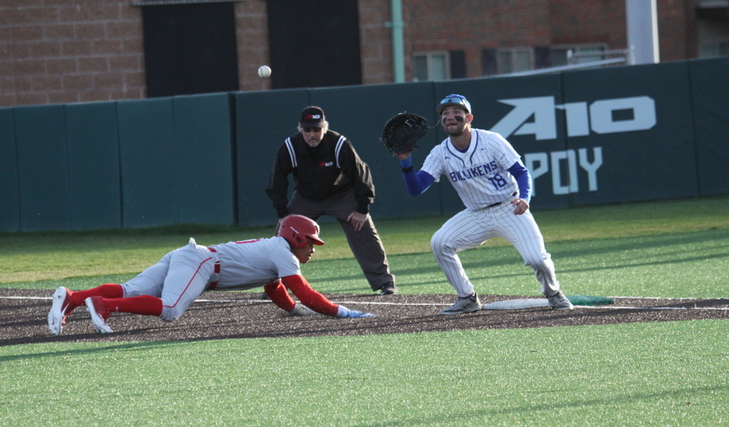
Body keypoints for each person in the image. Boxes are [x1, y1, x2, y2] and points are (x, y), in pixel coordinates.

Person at [47, 215, 375, 335]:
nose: (313, 248)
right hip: (203, 263)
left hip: (192, 256)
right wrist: (341, 312)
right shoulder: (283, 252)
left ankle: (73, 299)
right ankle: (104, 306)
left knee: (131, 289)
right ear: (297, 238)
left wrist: (293, 310)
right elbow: (303, 290)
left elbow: (276, 289)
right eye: (312, 242)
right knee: (170, 308)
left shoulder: (275, 252)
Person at [394, 94, 573, 314]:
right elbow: (416, 188)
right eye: (445, 114)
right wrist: (405, 161)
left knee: (536, 258)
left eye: (456, 113)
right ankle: (467, 297)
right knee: (440, 242)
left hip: (510, 208)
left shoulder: (490, 140)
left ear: (469, 117)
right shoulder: (440, 152)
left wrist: (524, 198)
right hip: (476, 214)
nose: (450, 117)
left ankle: (553, 293)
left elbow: (520, 172)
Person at [265, 105, 397, 295]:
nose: (312, 134)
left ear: (325, 127)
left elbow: (360, 173)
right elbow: (276, 181)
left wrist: (362, 208)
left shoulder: (338, 143)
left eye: (317, 129)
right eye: (307, 129)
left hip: (341, 195)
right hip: (306, 197)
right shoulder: (290, 146)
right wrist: (283, 214)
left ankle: (385, 282)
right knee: (283, 236)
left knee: (364, 231)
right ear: (300, 128)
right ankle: (276, 284)